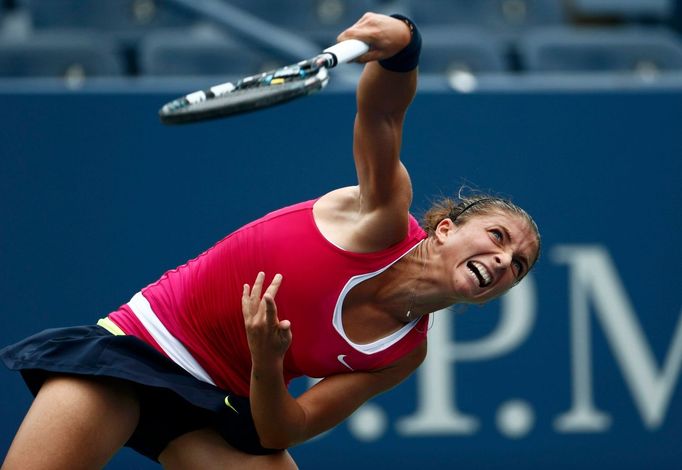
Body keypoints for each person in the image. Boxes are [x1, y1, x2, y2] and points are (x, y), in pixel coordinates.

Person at [0, 12, 540, 470]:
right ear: (445, 228)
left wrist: (266, 360)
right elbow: (382, 112)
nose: (502, 259)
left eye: (518, 265)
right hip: (141, 349)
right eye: (497, 237)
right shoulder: (382, 216)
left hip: (220, 409)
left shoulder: (405, 352)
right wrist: (404, 45)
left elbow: (290, 427)